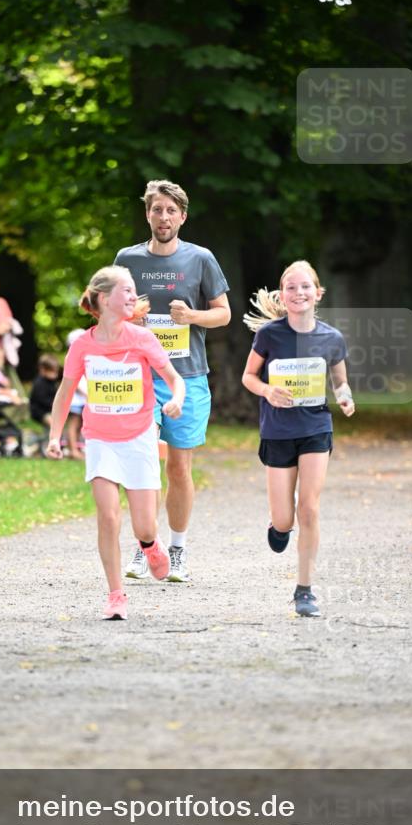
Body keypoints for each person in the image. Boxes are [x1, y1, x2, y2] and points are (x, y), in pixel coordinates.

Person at [46, 266, 185, 620]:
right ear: (105, 299)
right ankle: (115, 595)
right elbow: (64, 393)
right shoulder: (82, 345)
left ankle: (151, 546)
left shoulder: (142, 338)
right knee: (108, 516)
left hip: (139, 437)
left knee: (145, 526)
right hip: (100, 439)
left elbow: (174, 378)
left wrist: (176, 400)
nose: (134, 297)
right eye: (127, 291)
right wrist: (54, 436)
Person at [115, 179, 230, 583]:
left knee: (179, 468)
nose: (163, 217)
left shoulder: (201, 259)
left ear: (182, 216)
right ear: (147, 214)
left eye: (170, 210)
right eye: (156, 209)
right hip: (140, 376)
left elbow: (224, 314)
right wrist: (130, 318)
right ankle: (146, 546)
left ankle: (177, 549)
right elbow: (109, 312)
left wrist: (192, 317)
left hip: (188, 377)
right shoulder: (126, 258)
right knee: (142, 463)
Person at [241, 260, 355, 618]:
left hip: (315, 428)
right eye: (291, 287)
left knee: (309, 507)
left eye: (305, 287)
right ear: (282, 295)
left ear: (317, 293)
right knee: (284, 519)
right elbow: (248, 377)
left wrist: (345, 396)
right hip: (277, 432)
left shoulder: (331, 338)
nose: (299, 292)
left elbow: (339, 381)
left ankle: (304, 590)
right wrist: (267, 391)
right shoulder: (270, 335)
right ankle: (279, 527)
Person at [64, 328, 88, 460]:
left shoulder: (84, 359)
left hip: (83, 399)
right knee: (73, 425)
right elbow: (76, 381)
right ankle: (72, 449)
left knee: (79, 425)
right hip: (75, 399)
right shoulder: (72, 359)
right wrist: (87, 394)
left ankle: (76, 448)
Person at [29, 353, 60, 432]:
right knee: (52, 423)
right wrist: (53, 403)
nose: (55, 375)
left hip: (50, 409)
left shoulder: (52, 381)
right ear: (43, 370)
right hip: (40, 411)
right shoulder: (39, 383)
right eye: (52, 372)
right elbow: (41, 399)